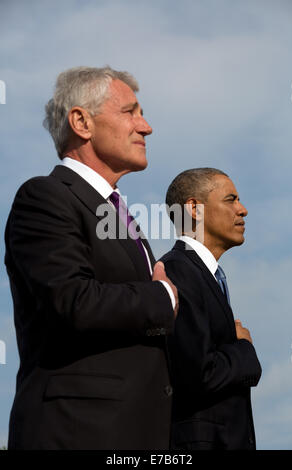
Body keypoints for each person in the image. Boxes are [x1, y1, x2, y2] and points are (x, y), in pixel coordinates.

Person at [5, 66, 178, 450]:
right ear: (81, 122)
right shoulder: (45, 197)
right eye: (130, 112)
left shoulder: (118, 216)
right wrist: (162, 298)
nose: (145, 126)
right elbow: (74, 302)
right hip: (78, 432)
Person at [161, 168, 262, 450]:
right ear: (194, 208)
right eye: (230, 199)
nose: (242, 210)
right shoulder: (177, 271)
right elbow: (197, 373)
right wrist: (244, 348)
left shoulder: (205, 275)